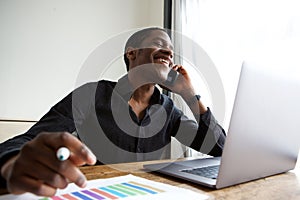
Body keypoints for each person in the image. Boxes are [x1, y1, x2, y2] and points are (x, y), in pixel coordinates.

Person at [0, 27, 226, 196]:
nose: (168, 51)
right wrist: (14, 162)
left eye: (172, 50)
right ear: (132, 53)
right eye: (159, 43)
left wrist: (189, 94)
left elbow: (219, 148)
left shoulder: (169, 110)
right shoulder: (92, 94)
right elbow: (29, 140)